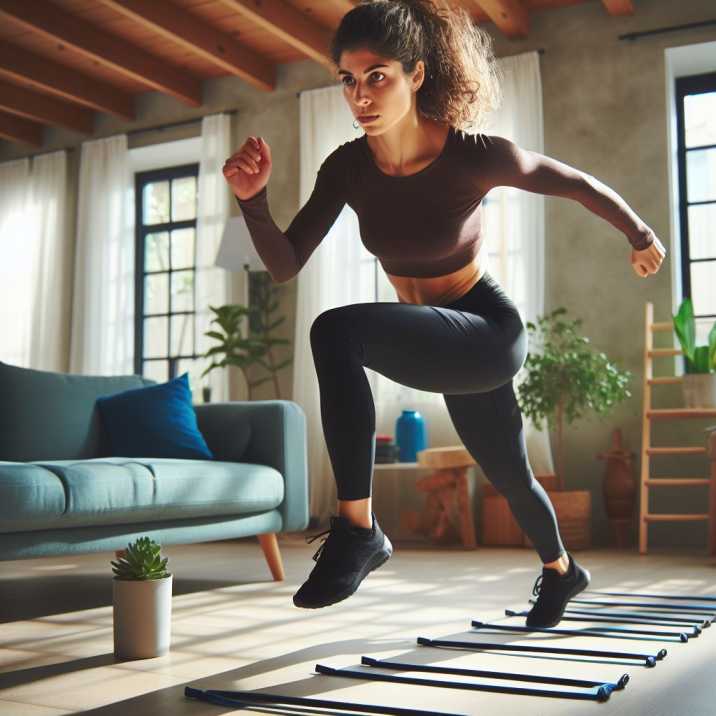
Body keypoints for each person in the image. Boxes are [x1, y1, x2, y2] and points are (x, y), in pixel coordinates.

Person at [222, 0, 666, 627]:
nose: (361, 96)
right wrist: (254, 202)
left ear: (417, 75)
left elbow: (572, 181)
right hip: (437, 341)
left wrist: (641, 235)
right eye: (348, 80)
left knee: (337, 331)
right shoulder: (348, 167)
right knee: (510, 473)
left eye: (378, 76)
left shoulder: (473, 155)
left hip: (485, 330)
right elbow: (287, 261)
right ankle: (564, 572)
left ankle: (358, 530)